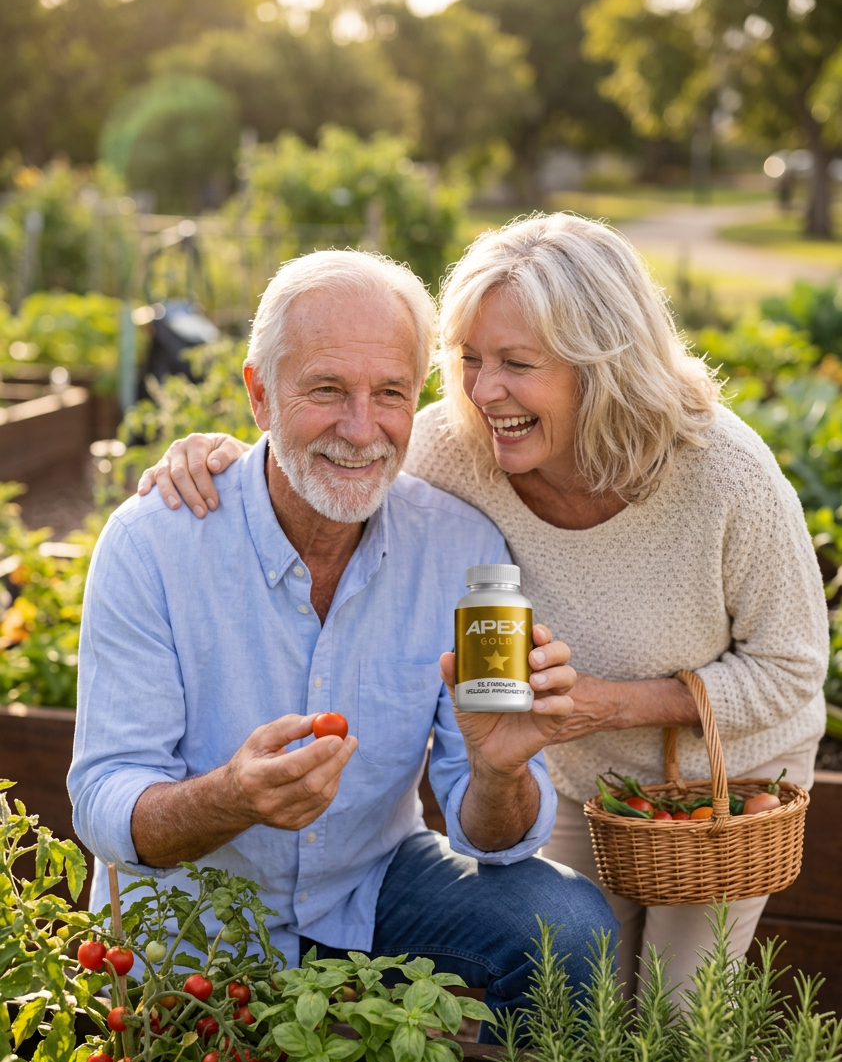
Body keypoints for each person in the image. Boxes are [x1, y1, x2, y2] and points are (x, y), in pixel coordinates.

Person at [146, 215, 829, 1003]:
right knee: (578, 984)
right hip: (577, 774)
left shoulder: (724, 477)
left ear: (600, 364)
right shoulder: (458, 449)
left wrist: (610, 704)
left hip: (726, 780)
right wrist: (224, 457)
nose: (482, 390)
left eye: (516, 363)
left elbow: (790, 668)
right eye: (468, 359)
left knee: (678, 1018)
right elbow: (337, 447)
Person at [69, 249, 615, 1039]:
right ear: (259, 394)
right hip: (194, 917)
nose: (362, 431)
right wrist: (230, 798)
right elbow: (105, 799)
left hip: (367, 886)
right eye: (326, 390)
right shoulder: (155, 545)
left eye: (389, 393)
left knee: (564, 926)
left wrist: (497, 773)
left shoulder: (462, 549)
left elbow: (487, 837)